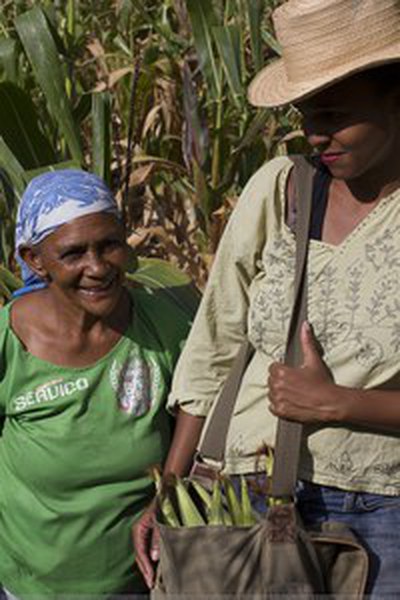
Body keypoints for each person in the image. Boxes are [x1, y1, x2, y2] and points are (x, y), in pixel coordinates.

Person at [133, 0, 400, 596]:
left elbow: (331, 402)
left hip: (386, 509)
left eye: (333, 113)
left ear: (396, 98)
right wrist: (171, 492)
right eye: (306, 114)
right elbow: (215, 344)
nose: (314, 134)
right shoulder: (281, 189)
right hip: (248, 497)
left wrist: (337, 404)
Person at [0, 169, 192, 598]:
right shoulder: (10, 342)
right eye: (73, 254)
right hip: (28, 587)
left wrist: (169, 490)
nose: (98, 267)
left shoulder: (164, 326)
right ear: (34, 260)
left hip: (139, 585)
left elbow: (200, 403)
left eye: (110, 244)